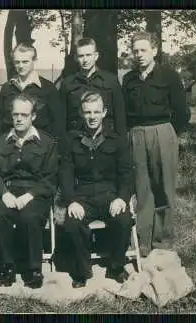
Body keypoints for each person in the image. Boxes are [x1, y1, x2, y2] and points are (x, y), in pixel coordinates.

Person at [55, 91, 133, 288]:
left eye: (96, 112)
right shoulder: (71, 140)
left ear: (104, 112)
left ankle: (116, 266)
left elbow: (127, 174)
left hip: (110, 195)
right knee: (72, 223)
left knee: (123, 220)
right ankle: (81, 270)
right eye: (87, 112)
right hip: (83, 196)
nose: (92, 116)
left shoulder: (117, 139)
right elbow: (65, 173)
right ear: (81, 114)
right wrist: (71, 200)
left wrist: (122, 198)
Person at [122, 32, 190, 255]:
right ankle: (142, 242)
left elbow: (182, 112)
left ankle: (162, 242)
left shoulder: (169, 76)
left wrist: (169, 134)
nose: (139, 55)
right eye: (135, 51)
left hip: (163, 131)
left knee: (164, 188)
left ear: (154, 50)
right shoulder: (129, 78)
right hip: (136, 134)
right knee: (141, 189)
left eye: (143, 50)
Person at [0, 93, 59, 289]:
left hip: (34, 194)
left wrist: (29, 196)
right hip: (8, 192)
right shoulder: (0, 142)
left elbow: (51, 178)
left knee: (29, 217)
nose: (18, 118)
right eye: (15, 114)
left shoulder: (47, 143)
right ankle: (7, 266)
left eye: (24, 115)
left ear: (33, 116)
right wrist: (4, 193)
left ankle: (33, 268)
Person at [0, 43, 65, 140]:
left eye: (25, 62)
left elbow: (58, 122)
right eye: (17, 62)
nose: (20, 66)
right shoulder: (6, 88)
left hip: (39, 147)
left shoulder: (48, 88)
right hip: (10, 147)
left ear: (34, 61)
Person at [60, 38, 126, 136]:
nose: (85, 60)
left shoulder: (111, 80)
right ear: (75, 58)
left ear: (96, 56)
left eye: (88, 55)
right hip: (76, 140)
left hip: (106, 138)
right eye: (81, 56)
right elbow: (61, 118)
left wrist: (121, 142)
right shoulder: (67, 84)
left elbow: (120, 116)